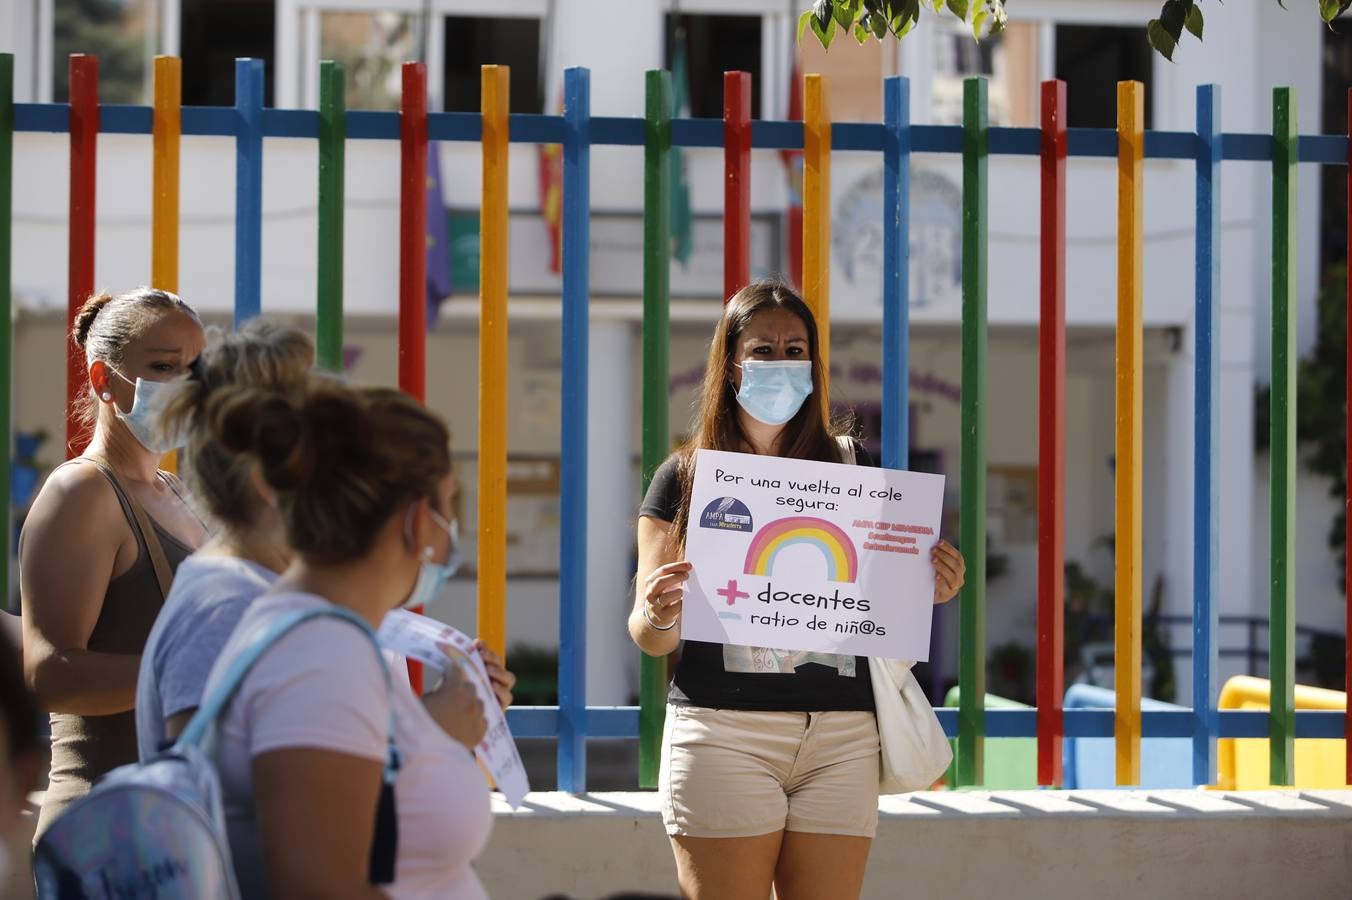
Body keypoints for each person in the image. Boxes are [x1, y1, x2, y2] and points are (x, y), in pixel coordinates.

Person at [630, 280, 967, 900]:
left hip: (842, 739)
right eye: (763, 350)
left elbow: (881, 598)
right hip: (723, 733)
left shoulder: (852, 469)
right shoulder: (684, 476)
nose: (781, 362)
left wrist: (931, 586)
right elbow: (651, 638)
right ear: (730, 365)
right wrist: (657, 610)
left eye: (795, 349)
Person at [136, 321, 514, 760]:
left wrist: (444, 713)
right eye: (331, 459)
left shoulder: (273, 596)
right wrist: (432, 729)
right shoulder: (228, 608)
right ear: (271, 482)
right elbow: (226, 802)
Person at [200, 380, 501, 898]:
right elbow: (320, 887)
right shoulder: (320, 656)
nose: (453, 527)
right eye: (449, 503)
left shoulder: (324, 635)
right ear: (415, 521)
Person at [19, 288, 208, 836]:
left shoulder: (178, 494)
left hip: (179, 822)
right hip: (106, 831)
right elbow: (49, 672)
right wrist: (206, 671)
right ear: (104, 380)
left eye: (195, 370)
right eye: (163, 367)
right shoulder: (83, 492)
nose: (185, 387)